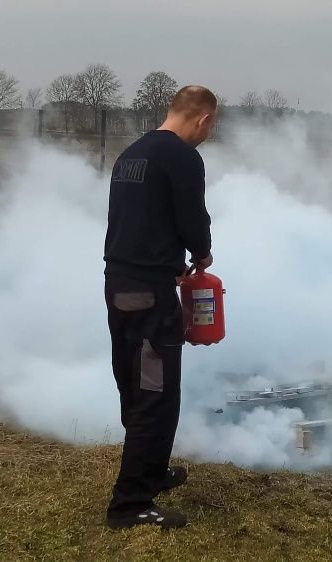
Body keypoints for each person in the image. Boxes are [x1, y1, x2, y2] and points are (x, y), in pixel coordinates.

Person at [102, 85, 218, 529]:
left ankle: (150, 471)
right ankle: (129, 505)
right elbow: (192, 218)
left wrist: (162, 259)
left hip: (120, 284)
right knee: (156, 392)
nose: (209, 134)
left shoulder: (132, 153)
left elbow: (136, 220)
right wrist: (200, 253)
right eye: (212, 126)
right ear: (203, 119)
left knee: (135, 385)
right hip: (149, 296)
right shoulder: (182, 158)